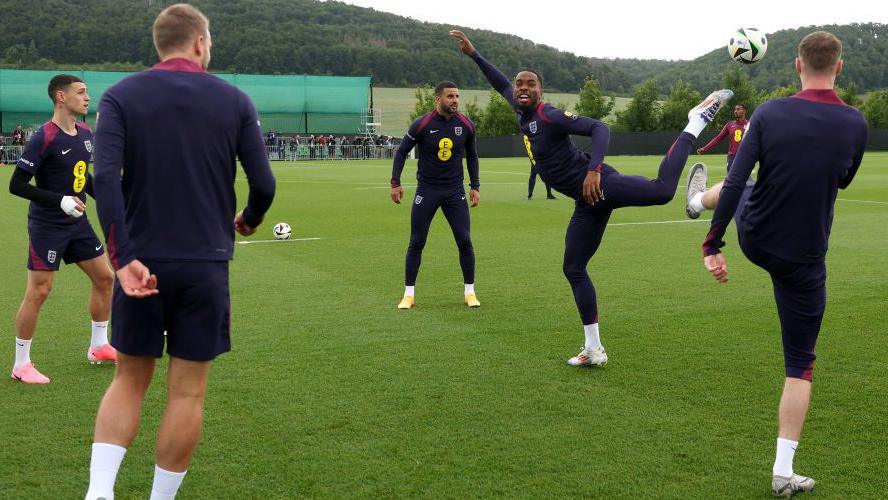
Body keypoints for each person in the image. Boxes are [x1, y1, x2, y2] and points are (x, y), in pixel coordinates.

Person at [85, 4, 276, 499]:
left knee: (129, 380)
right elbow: (263, 183)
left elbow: (104, 179)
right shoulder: (234, 99)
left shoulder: (121, 95)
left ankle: (99, 492)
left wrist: (122, 257)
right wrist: (249, 221)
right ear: (199, 42)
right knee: (187, 391)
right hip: (205, 263)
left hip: (140, 262)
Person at [451, 29, 730, 366]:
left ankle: (695, 122)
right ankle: (594, 348)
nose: (522, 88)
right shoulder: (520, 108)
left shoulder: (548, 115)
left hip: (600, 184)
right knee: (573, 267)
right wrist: (475, 55)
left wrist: (595, 169)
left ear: (541, 92)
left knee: (662, 191)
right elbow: (500, 84)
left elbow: (601, 128)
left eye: (530, 85)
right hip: (586, 202)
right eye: (519, 84)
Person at [689, 31, 867, 497]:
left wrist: (712, 244)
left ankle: (695, 203)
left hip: (756, 235)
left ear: (796, 66)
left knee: (741, 188)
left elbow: (734, 183)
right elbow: (844, 178)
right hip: (804, 257)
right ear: (840, 67)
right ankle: (783, 472)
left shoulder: (768, 113)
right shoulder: (855, 123)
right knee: (800, 365)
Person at [8, 74, 117, 385]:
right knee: (40, 291)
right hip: (48, 225)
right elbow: (17, 185)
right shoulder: (44, 137)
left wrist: (112, 200)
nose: (87, 98)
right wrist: (59, 201)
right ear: (61, 96)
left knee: (104, 278)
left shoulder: (84, 131)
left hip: (77, 223)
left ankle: (98, 346)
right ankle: (21, 364)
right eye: (81, 92)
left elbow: (82, 177)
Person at [391, 81, 481, 309]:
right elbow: (401, 152)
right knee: (417, 242)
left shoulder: (466, 125)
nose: (455, 101)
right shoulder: (422, 124)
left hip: (454, 191)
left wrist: (475, 186)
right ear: (438, 99)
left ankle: (470, 292)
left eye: (457, 96)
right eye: (450, 96)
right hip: (427, 190)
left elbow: (472, 156)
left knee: (465, 241)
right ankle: (408, 294)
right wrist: (395, 183)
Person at [696, 103, 748, 173]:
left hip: (745, 156)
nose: (735, 111)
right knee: (731, 179)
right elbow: (718, 138)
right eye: (735, 109)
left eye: (738, 109)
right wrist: (705, 148)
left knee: (744, 179)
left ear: (744, 110)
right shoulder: (730, 125)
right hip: (732, 156)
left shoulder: (750, 125)